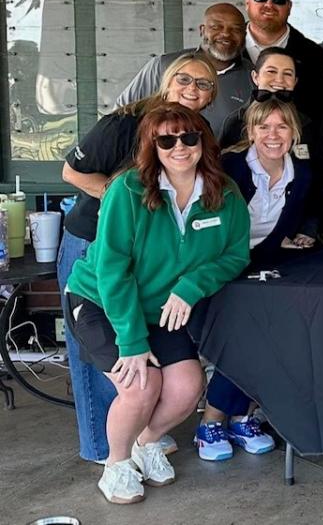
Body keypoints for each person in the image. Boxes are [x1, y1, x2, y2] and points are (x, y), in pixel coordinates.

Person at [65, 103, 250, 504]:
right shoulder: (127, 190)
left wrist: (191, 284)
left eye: (188, 137)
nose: (179, 146)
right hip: (100, 300)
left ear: (203, 140)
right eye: (166, 139)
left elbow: (235, 255)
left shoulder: (225, 193)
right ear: (152, 145)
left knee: (187, 387)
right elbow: (113, 269)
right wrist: (132, 342)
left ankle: (145, 444)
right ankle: (116, 464)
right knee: (140, 387)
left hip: (161, 310)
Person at [58, 53, 218, 465]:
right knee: (102, 362)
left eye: (203, 84)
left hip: (146, 260)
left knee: (149, 369)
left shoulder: (196, 136)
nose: (192, 89)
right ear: (166, 80)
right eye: (185, 79)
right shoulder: (122, 123)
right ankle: (103, 452)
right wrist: (120, 202)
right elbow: (72, 173)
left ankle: (139, 438)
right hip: (90, 242)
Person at [195, 99, 316, 462]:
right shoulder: (228, 167)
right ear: (250, 133)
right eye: (264, 127)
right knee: (247, 337)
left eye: (282, 127)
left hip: (263, 264)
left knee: (275, 333)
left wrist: (304, 232)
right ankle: (213, 420)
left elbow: (307, 211)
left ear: (294, 134)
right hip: (217, 267)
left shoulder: (303, 172)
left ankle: (238, 415)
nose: (273, 135)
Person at [114, 3, 253, 131]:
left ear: (244, 35)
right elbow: (121, 114)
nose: (225, 34)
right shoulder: (164, 65)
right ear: (202, 30)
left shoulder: (254, 77)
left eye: (235, 29)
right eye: (216, 27)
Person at [243, 0, 323, 115]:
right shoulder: (222, 52)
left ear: (289, 6)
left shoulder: (315, 56)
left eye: (279, 0)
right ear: (247, 2)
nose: (269, 5)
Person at [218, 47, 317, 157]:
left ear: (295, 81)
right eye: (271, 71)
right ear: (255, 77)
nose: (279, 79)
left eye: (288, 74)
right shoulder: (235, 122)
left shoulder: (306, 123)